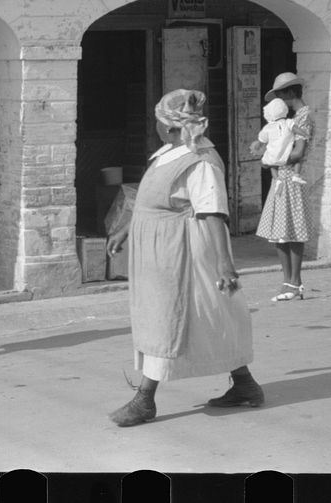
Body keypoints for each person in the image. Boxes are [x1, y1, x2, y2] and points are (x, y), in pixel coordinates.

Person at [105, 88, 263, 427]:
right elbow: (153, 199)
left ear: (169, 125)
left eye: (158, 121)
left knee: (166, 317)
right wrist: (128, 227)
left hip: (181, 250)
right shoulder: (168, 153)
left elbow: (212, 212)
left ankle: (145, 399)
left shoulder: (201, 161)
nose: (155, 127)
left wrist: (224, 263)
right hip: (157, 251)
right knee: (208, 316)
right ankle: (245, 384)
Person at [256, 72, 314, 302]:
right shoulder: (294, 119)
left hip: (290, 177)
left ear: (290, 93)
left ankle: (293, 281)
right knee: (281, 232)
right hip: (283, 177)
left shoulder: (302, 117)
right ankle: (290, 281)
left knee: (292, 231)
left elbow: (299, 152)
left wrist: (272, 160)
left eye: (280, 96)